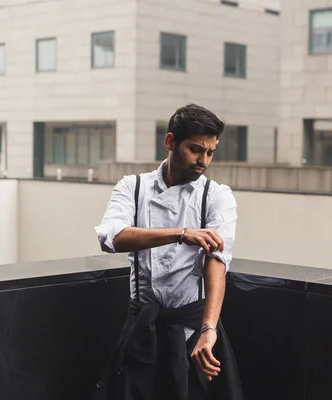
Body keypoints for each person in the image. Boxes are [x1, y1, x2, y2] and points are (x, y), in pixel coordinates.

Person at [91, 104, 243, 400]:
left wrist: (208, 329)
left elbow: (217, 262)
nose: (204, 161)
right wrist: (182, 234)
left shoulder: (217, 195)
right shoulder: (133, 187)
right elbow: (113, 237)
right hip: (141, 331)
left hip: (194, 334)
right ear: (170, 142)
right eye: (196, 149)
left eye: (210, 152)